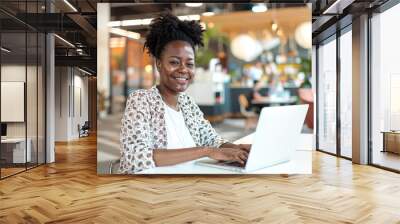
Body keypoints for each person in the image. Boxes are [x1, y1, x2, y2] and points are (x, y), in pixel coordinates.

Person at [119, 12, 251, 174]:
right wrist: (206, 151)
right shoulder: (141, 100)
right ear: (159, 64)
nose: (183, 69)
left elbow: (211, 139)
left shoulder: (188, 103)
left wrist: (239, 149)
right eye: (174, 62)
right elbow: (134, 157)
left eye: (189, 64)